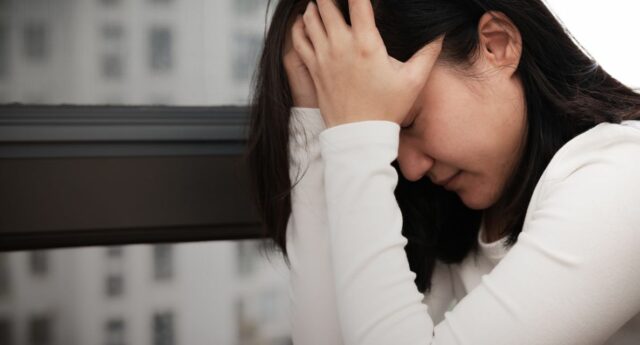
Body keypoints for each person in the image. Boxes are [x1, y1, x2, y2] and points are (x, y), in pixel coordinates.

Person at [245, 0, 640, 344]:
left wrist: (359, 139)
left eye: (409, 121)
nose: (411, 169)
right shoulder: (460, 216)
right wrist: (316, 131)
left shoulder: (623, 180)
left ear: (495, 44)